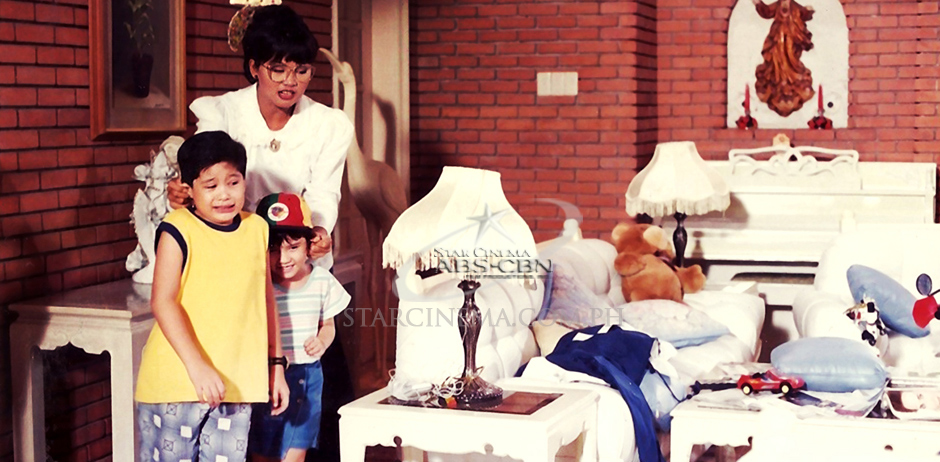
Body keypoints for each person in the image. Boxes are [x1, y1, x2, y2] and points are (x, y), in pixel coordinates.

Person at [136, 131, 290, 462]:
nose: (224, 194)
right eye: (211, 185)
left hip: (236, 385)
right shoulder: (177, 227)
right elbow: (162, 301)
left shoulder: (257, 229)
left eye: (233, 182)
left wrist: (276, 366)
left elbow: (266, 302)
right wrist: (198, 367)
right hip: (177, 382)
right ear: (189, 189)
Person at [167, 4, 354, 268]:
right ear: (254, 67)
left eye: (301, 71)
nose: (290, 81)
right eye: (278, 69)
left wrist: (319, 231)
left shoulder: (328, 124)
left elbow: (324, 193)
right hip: (234, 253)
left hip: (296, 258)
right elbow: (203, 175)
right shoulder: (223, 113)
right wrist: (182, 191)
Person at [249, 192, 351, 462]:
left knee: (296, 451)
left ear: (309, 246)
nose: (282, 258)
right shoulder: (260, 284)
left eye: (292, 247)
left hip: (306, 376)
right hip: (266, 374)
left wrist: (322, 341)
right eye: (273, 249)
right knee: (262, 450)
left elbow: (328, 325)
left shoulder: (322, 281)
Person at [752, 0, 816, 117]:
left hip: (792, 36)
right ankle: (778, 81)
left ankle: (791, 81)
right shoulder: (778, 4)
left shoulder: (794, 5)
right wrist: (758, 4)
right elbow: (767, 12)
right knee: (776, 58)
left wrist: (808, 11)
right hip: (777, 36)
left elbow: (803, 14)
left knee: (791, 59)